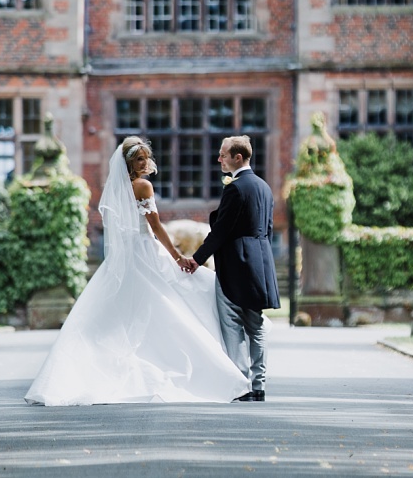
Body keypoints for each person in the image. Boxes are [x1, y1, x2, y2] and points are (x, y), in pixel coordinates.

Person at [24, 137, 250, 406]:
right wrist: (177, 257)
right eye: (139, 159)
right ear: (129, 163)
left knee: (130, 311)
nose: (145, 163)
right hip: (144, 251)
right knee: (177, 300)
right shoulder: (143, 186)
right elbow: (155, 226)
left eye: (146, 158)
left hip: (125, 255)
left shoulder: (116, 188)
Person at [185, 135, 280, 402]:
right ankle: (258, 385)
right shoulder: (265, 187)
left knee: (232, 325)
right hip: (260, 264)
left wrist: (197, 258)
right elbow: (269, 231)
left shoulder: (236, 188)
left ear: (238, 157)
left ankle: (240, 384)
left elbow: (221, 231)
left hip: (235, 264)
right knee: (256, 326)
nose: (219, 159)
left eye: (223, 155)